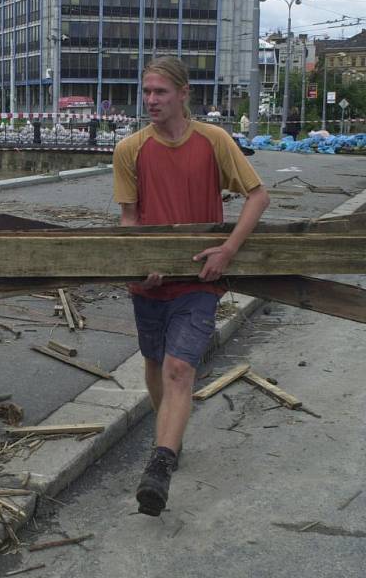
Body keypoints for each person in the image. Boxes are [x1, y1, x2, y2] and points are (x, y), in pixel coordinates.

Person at [112, 57, 269, 516]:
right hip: (150, 282)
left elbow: (257, 196)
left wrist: (227, 250)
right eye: (146, 92)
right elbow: (129, 219)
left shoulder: (214, 141)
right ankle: (169, 435)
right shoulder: (130, 149)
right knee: (156, 363)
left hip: (200, 279)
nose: (151, 101)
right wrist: (140, 264)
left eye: (160, 92)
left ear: (184, 94)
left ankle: (160, 463)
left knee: (179, 367)